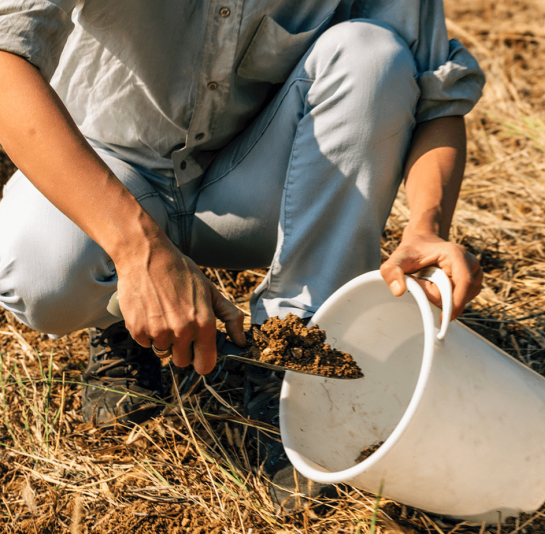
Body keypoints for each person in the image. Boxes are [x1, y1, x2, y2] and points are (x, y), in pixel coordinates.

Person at [0, 1, 483, 430]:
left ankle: (296, 345)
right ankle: (125, 324)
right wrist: (137, 249)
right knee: (41, 275)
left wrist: (426, 226)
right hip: (108, 173)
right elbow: (5, 59)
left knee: (372, 54)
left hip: (256, 181)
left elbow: (434, 94)